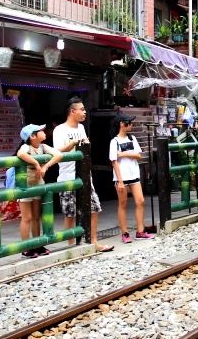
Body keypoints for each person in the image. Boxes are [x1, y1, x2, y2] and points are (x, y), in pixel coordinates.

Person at [53, 97, 113, 253]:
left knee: (94, 208)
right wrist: (73, 144)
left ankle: (93, 241)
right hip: (67, 176)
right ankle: (71, 246)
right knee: (70, 214)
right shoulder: (60, 130)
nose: (85, 112)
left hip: (85, 176)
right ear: (73, 111)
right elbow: (56, 151)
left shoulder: (81, 128)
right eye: (82, 109)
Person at [15, 123, 63, 258]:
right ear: (32, 136)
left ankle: (37, 243)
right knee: (27, 217)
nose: (44, 132)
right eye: (40, 131)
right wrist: (36, 163)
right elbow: (20, 153)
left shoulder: (43, 147)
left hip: (37, 183)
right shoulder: (26, 146)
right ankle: (25, 247)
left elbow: (58, 154)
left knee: (36, 216)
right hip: (25, 184)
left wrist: (46, 166)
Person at [110, 112, 152, 243]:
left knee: (140, 201)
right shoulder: (114, 141)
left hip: (134, 175)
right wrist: (120, 181)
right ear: (122, 124)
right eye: (129, 122)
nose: (131, 125)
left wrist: (123, 154)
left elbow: (138, 155)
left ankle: (140, 231)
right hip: (121, 177)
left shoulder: (132, 138)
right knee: (123, 204)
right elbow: (114, 161)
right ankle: (125, 233)